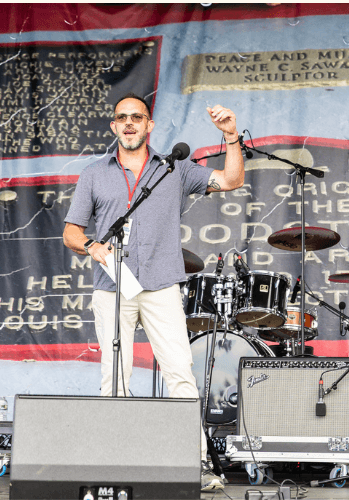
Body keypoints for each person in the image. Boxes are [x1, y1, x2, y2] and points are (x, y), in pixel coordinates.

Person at [63, 92, 244, 491]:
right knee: (115, 376)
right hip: (112, 287)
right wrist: (92, 246)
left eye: (137, 117)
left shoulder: (175, 168)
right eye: (122, 118)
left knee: (180, 373)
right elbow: (71, 232)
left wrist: (231, 137)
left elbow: (231, 180)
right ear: (114, 126)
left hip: (161, 284)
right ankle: (117, 462)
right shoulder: (95, 173)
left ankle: (191, 465)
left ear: (150, 125)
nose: (129, 123)